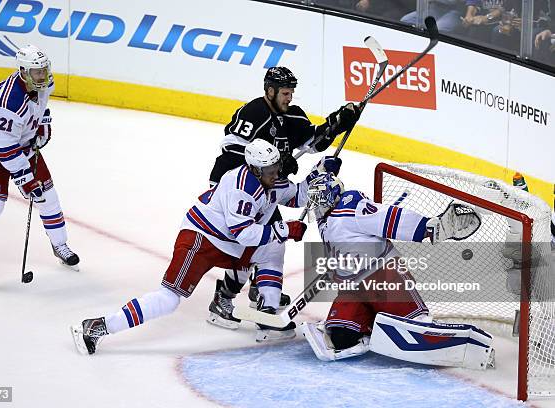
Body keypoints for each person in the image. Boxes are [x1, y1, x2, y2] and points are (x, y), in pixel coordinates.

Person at [71, 140, 340, 354]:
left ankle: (267, 316)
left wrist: (320, 171)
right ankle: (98, 326)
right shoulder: (240, 189)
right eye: (270, 171)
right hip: (201, 239)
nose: (276, 174)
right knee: (169, 299)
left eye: (276, 168)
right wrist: (284, 229)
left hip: (227, 243)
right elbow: (244, 233)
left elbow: (298, 194)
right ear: (256, 170)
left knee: (272, 250)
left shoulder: (269, 178)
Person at [207, 66, 360, 327]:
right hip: (234, 189)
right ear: (270, 91)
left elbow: (312, 142)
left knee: (269, 244)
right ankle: (223, 298)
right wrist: (272, 163)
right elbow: (231, 148)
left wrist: (336, 124)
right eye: (285, 93)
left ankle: (260, 290)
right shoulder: (254, 112)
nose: (289, 98)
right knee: (252, 243)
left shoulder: (292, 115)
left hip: (265, 189)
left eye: (291, 93)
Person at [300, 172, 485, 364]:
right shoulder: (325, 221)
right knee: (340, 339)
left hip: (384, 278)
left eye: (319, 201)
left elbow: (386, 218)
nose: (317, 208)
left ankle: (468, 346)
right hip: (352, 289)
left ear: (333, 196)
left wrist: (425, 228)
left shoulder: (351, 205)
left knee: (417, 330)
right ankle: (374, 323)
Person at [0, 45, 79, 288]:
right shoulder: (9, 103)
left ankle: (60, 245)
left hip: (20, 142)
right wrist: (26, 180)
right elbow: (6, 150)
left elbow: (42, 106)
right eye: (37, 72)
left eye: (44, 70)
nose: (43, 76)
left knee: (48, 196)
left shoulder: (43, 83)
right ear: (23, 71)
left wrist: (42, 125)